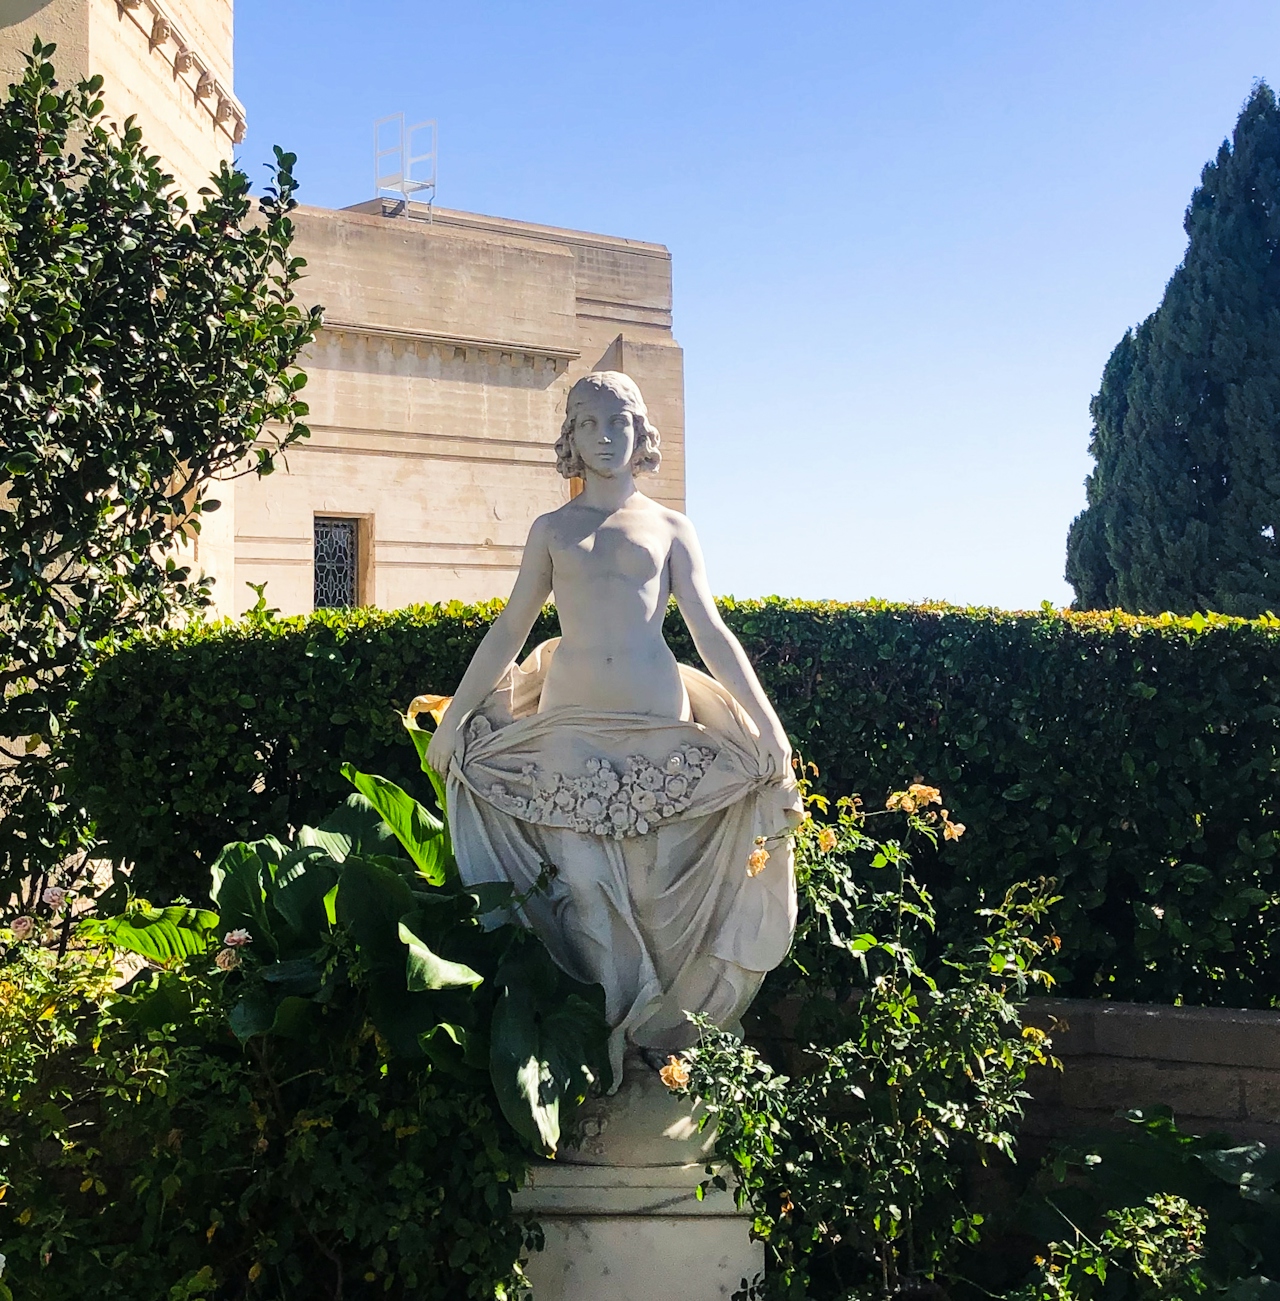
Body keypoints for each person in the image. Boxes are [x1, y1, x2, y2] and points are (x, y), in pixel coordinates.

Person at [426, 371, 800, 1079]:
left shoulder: (670, 528)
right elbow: (509, 629)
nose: (603, 436)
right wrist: (458, 717)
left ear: (640, 435)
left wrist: (768, 726)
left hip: (660, 727)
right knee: (586, 889)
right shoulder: (552, 530)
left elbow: (712, 633)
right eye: (589, 423)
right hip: (569, 731)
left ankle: (656, 1043)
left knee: (657, 895)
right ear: (569, 436)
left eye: (617, 423)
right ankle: (601, 1051)